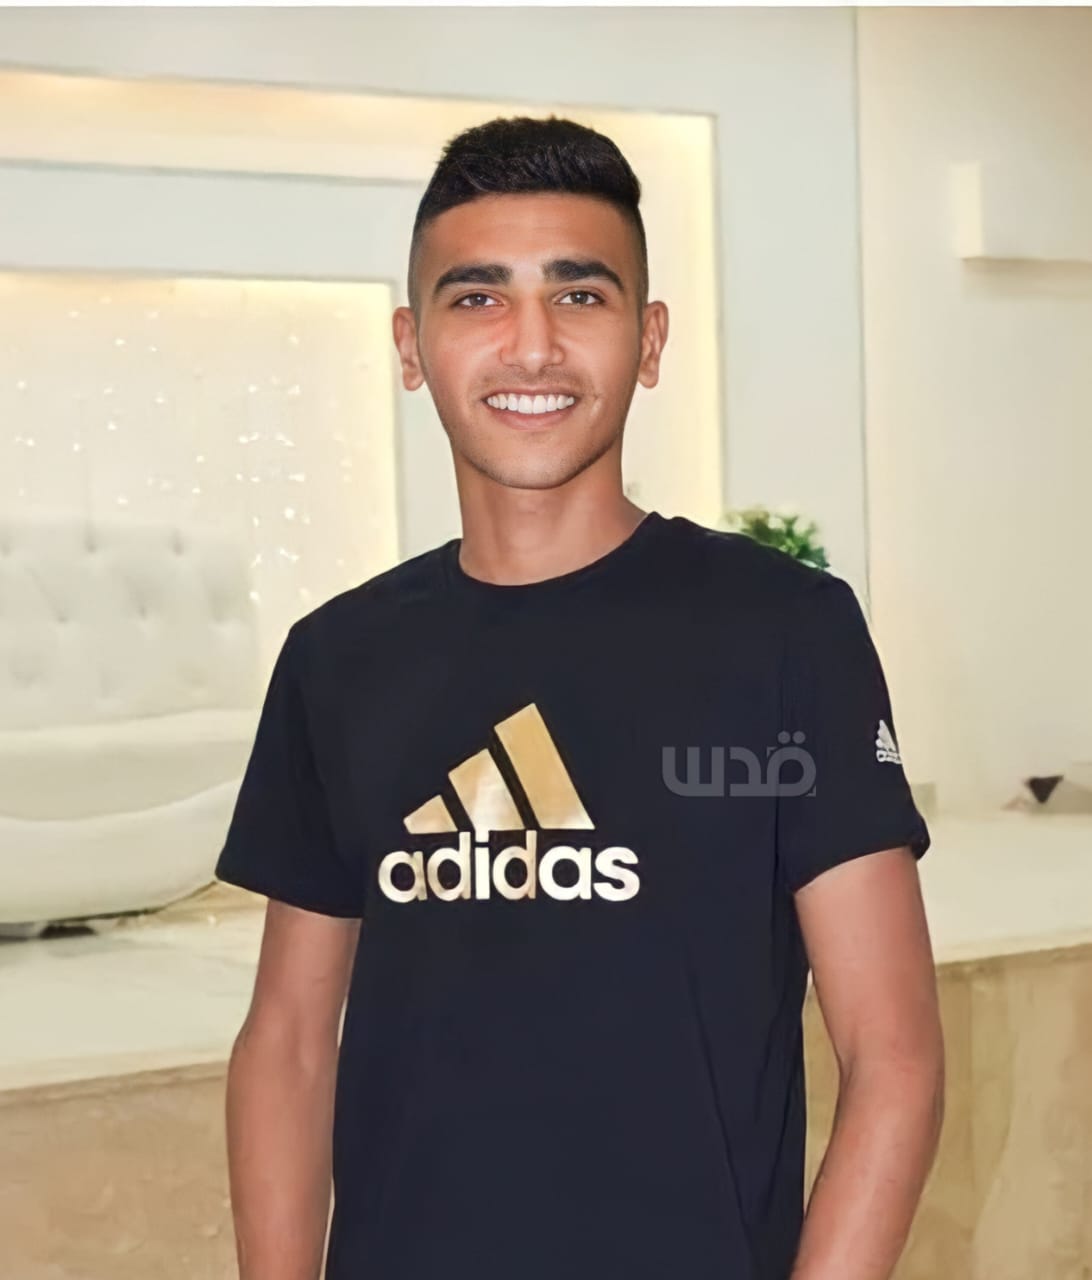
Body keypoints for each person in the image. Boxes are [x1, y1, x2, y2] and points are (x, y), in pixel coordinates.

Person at [215, 115, 944, 1280]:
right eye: (478, 298)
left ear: (648, 340)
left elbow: (893, 1054)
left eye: (580, 295)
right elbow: (289, 1041)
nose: (533, 345)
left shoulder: (785, 633)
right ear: (410, 344)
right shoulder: (337, 658)